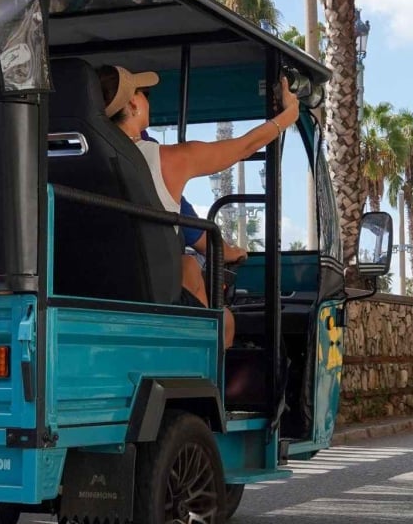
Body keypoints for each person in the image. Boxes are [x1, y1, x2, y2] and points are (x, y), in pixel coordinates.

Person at [100, 64, 300, 346]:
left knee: (189, 265)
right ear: (133, 104)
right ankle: (208, 378)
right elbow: (244, 146)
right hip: (147, 296)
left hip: (94, 289)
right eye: (144, 93)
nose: (147, 100)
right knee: (225, 321)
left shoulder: (67, 157)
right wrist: (288, 115)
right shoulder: (167, 159)